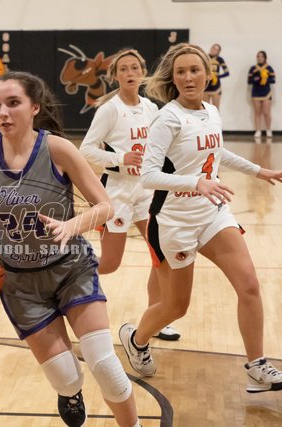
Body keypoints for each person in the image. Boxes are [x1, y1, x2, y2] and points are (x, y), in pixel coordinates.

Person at [0, 71, 141, 427]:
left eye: (13, 103)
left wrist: (72, 225)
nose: (3, 112)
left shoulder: (57, 149)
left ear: (34, 107)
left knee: (105, 366)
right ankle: (70, 392)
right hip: (19, 284)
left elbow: (105, 207)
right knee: (65, 378)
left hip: (70, 269)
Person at [119, 43, 282, 395]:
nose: (188, 77)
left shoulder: (210, 111)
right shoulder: (168, 118)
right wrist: (196, 182)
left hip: (212, 214)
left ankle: (256, 365)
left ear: (208, 74)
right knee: (176, 307)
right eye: (181, 72)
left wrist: (259, 171)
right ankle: (136, 339)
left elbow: (216, 151)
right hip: (174, 222)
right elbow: (148, 175)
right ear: (173, 78)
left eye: (195, 70)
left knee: (249, 284)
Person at [79, 48, 180, 342]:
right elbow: (86, 149)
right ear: (115, 76)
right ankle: (67, 275)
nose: (130, 73)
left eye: (134, 67)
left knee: (160, 255)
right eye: (123, 69)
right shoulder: (109, 110)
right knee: (111, 263)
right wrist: (121, 159)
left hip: (146, 190)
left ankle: (156, 319)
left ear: (143, 72)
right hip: (117, 191)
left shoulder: (150, 108)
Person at [248, 50, 275, 140]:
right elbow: (249, 81)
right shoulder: (253, 68)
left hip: (267, 93)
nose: (260, 58)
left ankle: (268, 129)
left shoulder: (269, 68)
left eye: (261, 56)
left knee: (266, 113)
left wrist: (265, 79)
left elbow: (273, 80)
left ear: (265, 58)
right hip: (256, 93)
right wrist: (257, 78)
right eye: (258, 56)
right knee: (257, 113)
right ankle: (258, 130)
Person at [203, 43, 229, 110]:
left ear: (218, 52)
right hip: (206, 86)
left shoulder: (220, 59)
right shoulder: (205, 57)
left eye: (216, 49)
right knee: (205, 109)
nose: (214, 50)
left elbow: (227, 73)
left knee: (216, 109)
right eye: (213, 48)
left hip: (216, 87)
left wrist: (217, 76)